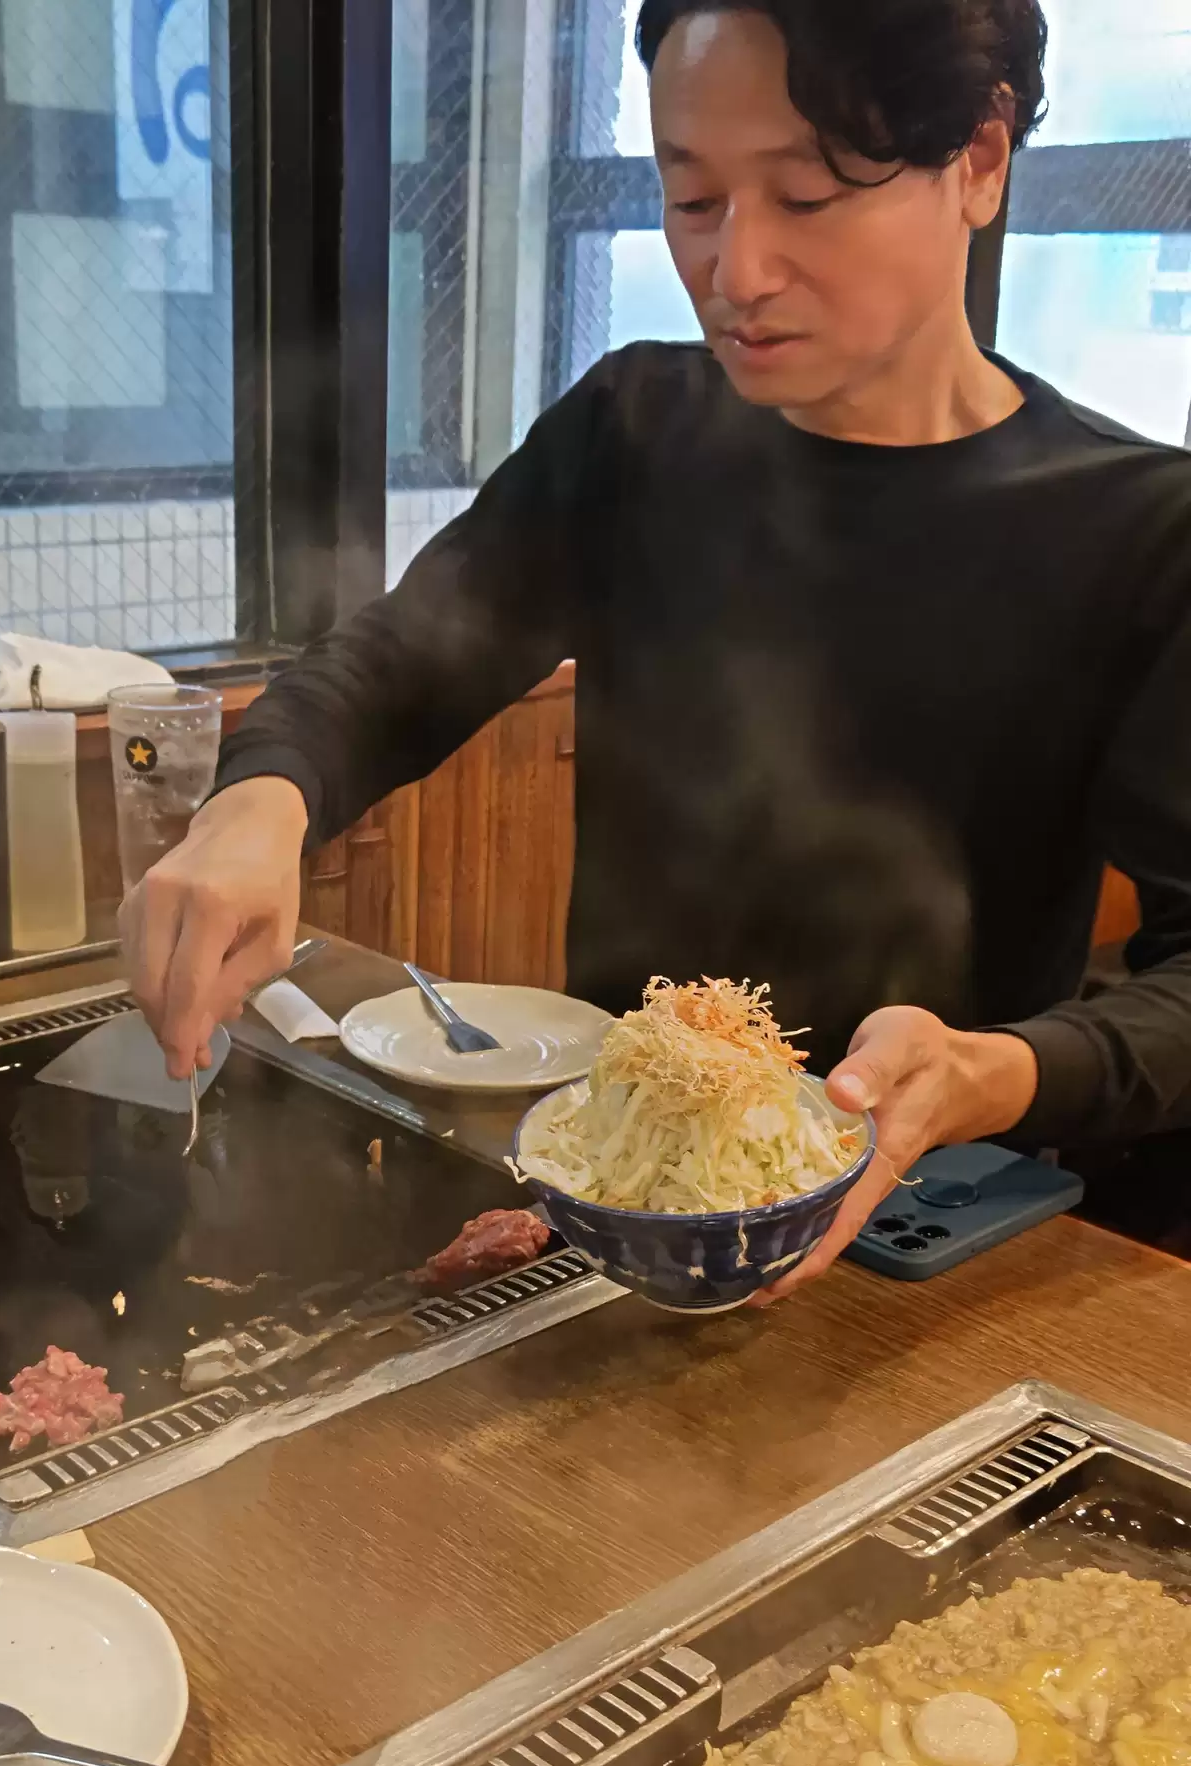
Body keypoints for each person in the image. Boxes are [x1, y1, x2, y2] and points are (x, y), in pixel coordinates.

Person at [123, 0, 1191, 1299]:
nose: (736, 272)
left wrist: (990, 1071)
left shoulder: (1137, 530)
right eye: (691, 201)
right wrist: (258, 803)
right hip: (618, 1222)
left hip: (929, 1256)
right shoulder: (636, 430)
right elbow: (402, 662)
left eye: (805, 196)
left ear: (978, 156)